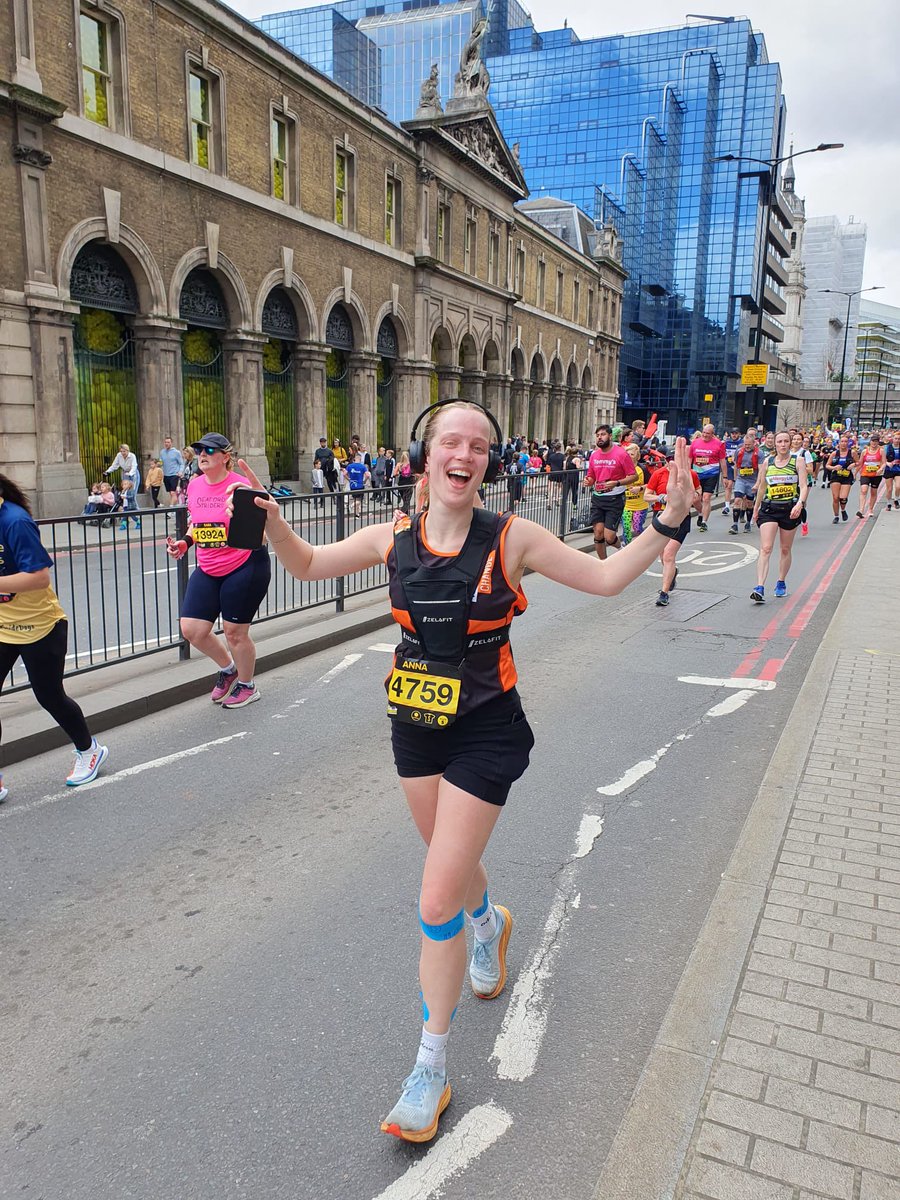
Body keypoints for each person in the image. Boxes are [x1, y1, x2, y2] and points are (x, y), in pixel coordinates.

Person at [225, 400, 697, 1143]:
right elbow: (311, 565)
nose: (465, 453)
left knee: (436, 891)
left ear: (488, 464)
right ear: (427, 453)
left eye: (479, 446)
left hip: (485, 730)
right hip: (414, 727)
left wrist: (667, 522)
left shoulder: (514, 539)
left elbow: (605, 581)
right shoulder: (393, 538)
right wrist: (270, 518)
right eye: (453, 439)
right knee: (453, 863)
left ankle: (430, 1067)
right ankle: (491, 924)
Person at [0, 474, 109, 802]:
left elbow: (38, 577)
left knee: (49, 696)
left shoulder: (15, 522)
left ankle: (89, 750)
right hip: (3, 626)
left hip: (41, 627)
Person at [165, 433, 271, 708]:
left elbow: (261, 533)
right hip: (209, 566)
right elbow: (196, 524)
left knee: (235, 632)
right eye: (199, 450)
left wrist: (244, 523)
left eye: (210, 450)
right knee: (192, 629)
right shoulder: (196, 485)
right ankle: (228, 669)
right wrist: (185, 542)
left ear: (225, 457)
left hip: (244, 565)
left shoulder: (240, 485)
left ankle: (248, 685)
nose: (202, 454)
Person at [750, 430, 809, 602]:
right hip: (769, 509)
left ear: (790, 443)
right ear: (774, 444)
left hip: (790, 509)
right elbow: (762, 487)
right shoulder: (767, 462)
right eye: (779, 442)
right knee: (766, 548)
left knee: (785, 548)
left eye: (785, 441)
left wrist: (800, 504)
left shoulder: (798, 461)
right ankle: (759, 587)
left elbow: (804, 486)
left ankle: (781, 582)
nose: (783, 445)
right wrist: (756, 508)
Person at [644, 452, 702, 605]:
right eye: (669, 461)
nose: (672, 464)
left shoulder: (691, 475)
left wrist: (696, 499)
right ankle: (673, 572)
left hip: (681, 519)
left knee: (669, 555)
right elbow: (646, 495)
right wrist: (660, 497)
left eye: (675, 461)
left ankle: (664, 593)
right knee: (663, 557)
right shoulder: (658, 474)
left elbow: (698, 496)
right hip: (661, 517)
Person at [583, 424, 638, 559]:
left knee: (609, 536)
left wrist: (617, 483)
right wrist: (588, 481)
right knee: (598, 534)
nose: (599, 438)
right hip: (598, 498)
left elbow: (634, 476)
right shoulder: (594, 455)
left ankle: (621, 549)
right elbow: (591, 476)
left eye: (602, 435)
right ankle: (603, 564)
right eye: (597, 436)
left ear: (610, 436)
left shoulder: (621, 453)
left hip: (615, 498)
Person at [688, 424, 727, 531]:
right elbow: (689, 459)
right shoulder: (695, 443)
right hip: (697, 474)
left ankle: (704, 522)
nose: (705, 435)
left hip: (712, 474)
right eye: (704, 432)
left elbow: (722, 461)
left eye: (707, 433)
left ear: (712, 434)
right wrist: (687, 473)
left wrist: (725, 476)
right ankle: (701, 512)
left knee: (706, 498)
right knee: (696, 499)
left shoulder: (719, 444)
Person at [729, 432, 759, 534]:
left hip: (752, 481)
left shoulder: (759, 454)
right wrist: (735, 478)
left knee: (749, 503)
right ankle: (735, 525)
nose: (746, 447)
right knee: (737, 500)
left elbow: (761, 469)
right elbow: (736, 466)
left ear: (753, 443)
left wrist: (758, 483)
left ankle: (748, 522)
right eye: (745, 444)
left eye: (749, 445)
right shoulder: (739, 451)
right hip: (741, 479)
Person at [621, 442, 649, 544]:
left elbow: (650, 485)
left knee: (637, 527)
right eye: (627, 454)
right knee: (626, 528)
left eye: (632, 455)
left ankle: (646, 542)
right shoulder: (621, 469)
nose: (629, 457)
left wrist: (640, 488)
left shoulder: (643, 469)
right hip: (626, 505)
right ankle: (627, 547)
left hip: (640, 505)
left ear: (637, 457)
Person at [826, 436, 858, 523]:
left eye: (845, 441)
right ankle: (836, 516)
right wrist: (834, 467)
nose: (843, 443)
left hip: (847, 476)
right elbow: (827, 465)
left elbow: (858, 462)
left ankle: (843, 510)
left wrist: (854, 464)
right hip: (836, 476)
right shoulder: (834, 454)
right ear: (839, 443)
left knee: (843, 497)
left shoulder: (852, 453)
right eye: (842, 441)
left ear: (848, 443)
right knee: (836, 498)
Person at [856, 434, 885, 519]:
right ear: (870, 442)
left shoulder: (881, 451)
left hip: (876, 474)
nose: (874, 443)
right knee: (864, 490)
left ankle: (870, 510)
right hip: (865, 473)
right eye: (873, 441)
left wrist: (881, 469)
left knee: (873, 492)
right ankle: (861, 510)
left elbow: (884, 463)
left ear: (878, 442)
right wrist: (855, 473)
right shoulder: (865, 451)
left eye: (876, 441)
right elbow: (860, 463)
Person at [722, 428, 744, 518]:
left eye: (736, 433)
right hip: (729, 466)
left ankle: (741, 507)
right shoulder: (727, 443)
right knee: (729, 485)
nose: (734, 435)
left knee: (741, 488)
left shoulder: (742, 443)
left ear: (739, 434)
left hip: (740, 467)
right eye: (732, 433)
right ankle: (726, 506)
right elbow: (723, 454)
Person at [160, 437, 184, 505]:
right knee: (171, 493)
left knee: (173, 492)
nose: (166, 444)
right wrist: (159, 464)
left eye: (168, 442)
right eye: (165, 442)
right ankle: (175, 508)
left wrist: (180, 472)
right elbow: (161, 461)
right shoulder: (162, 452)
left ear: (171, 443)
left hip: (174, 475)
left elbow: (181, 463)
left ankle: (171, 509)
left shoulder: (176, 452)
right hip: (166, 475)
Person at [884, 430, 900, 510]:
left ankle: (896, 499)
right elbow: (883, 459)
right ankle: (888, 503)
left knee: (898, 486)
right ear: (892, 439)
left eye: (899, 439)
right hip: (889, 469)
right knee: (889, 489)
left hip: (898, 469)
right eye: (896, 438)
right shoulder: (887, 447)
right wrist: (887, 463)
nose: (897, 440)